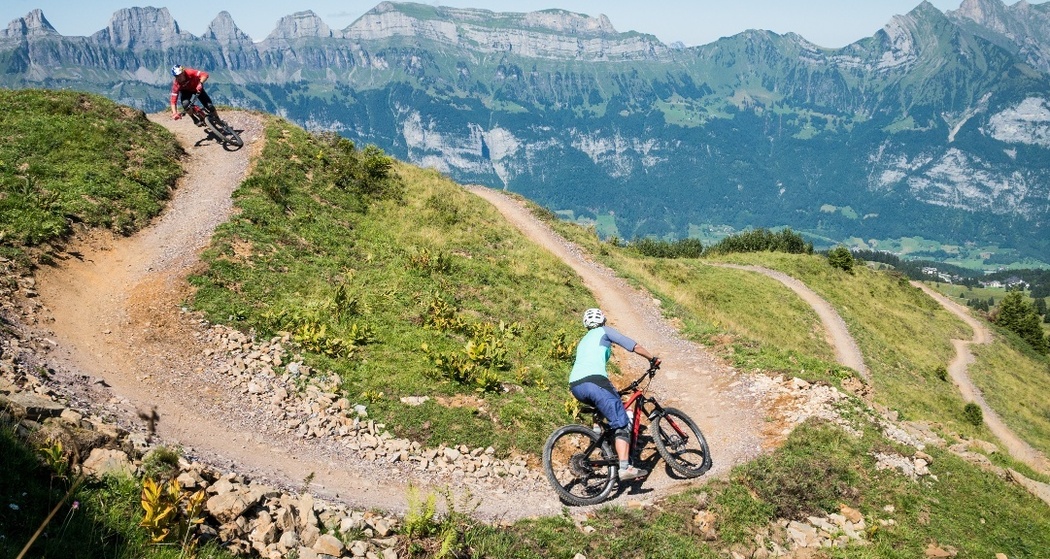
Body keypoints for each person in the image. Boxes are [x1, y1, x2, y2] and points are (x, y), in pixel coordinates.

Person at [568, 307, 659, 481]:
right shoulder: (604, 331)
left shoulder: (583, 340)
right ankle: (625, 468)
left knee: (606, 404)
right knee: (621, 422)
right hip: (595, 382)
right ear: (603, 321)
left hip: (576, 386)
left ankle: (597, 436)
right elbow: (633, 345)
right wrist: (652, 359)